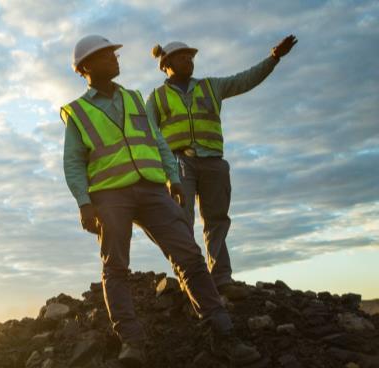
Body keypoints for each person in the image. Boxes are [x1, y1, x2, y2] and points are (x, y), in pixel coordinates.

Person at [60, 35, 261, 366]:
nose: (115, 58)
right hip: (110, 196)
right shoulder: (79, 112)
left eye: (114, 52)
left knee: (190, 257)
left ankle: (223, 333)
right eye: (107, 55)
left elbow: (158, 141)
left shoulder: (135, 98)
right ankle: (132, 344)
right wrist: (84, 203)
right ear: (85, 68)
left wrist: (174, 177)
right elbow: (73, 162)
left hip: (154, 189)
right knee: (116, 269)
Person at [147, 35, 298, 300]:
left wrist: (273, 58)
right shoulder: (157, 98)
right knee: (182, 219)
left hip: (213, 162)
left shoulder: (211, 86)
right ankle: (190, 277)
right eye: (182, 56)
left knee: (216, 220)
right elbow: (147, 135)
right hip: (178, 162)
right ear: (166, 64)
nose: (189, 60)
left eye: (191, 56)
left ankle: (220, 277)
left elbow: (245, 80)